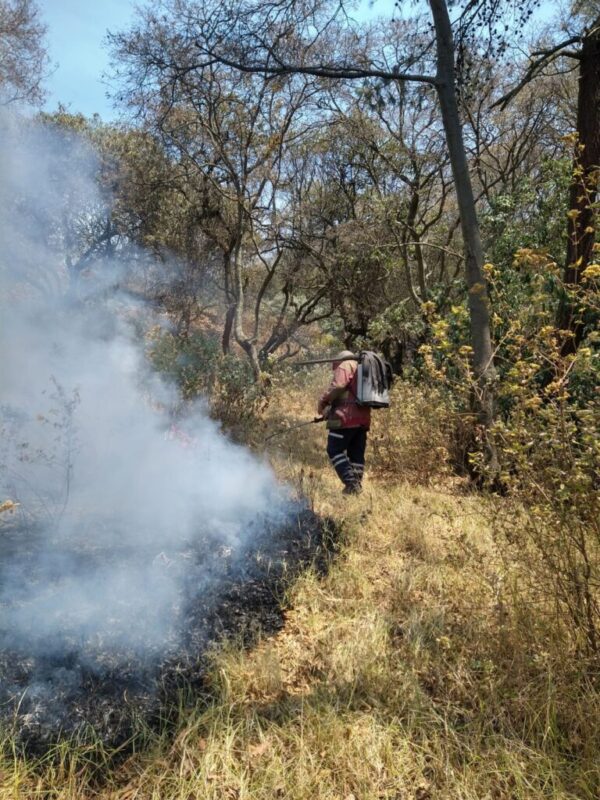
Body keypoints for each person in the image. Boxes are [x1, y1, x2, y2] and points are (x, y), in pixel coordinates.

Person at [317, 350, 371, 494]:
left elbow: (338, 386)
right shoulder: (362, 367)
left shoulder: (345, 365)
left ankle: (351, 483)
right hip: (363, 419)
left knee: (334, 449)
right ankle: (356, 486)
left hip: (345, 418)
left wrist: (323, 401)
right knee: (356, 454)